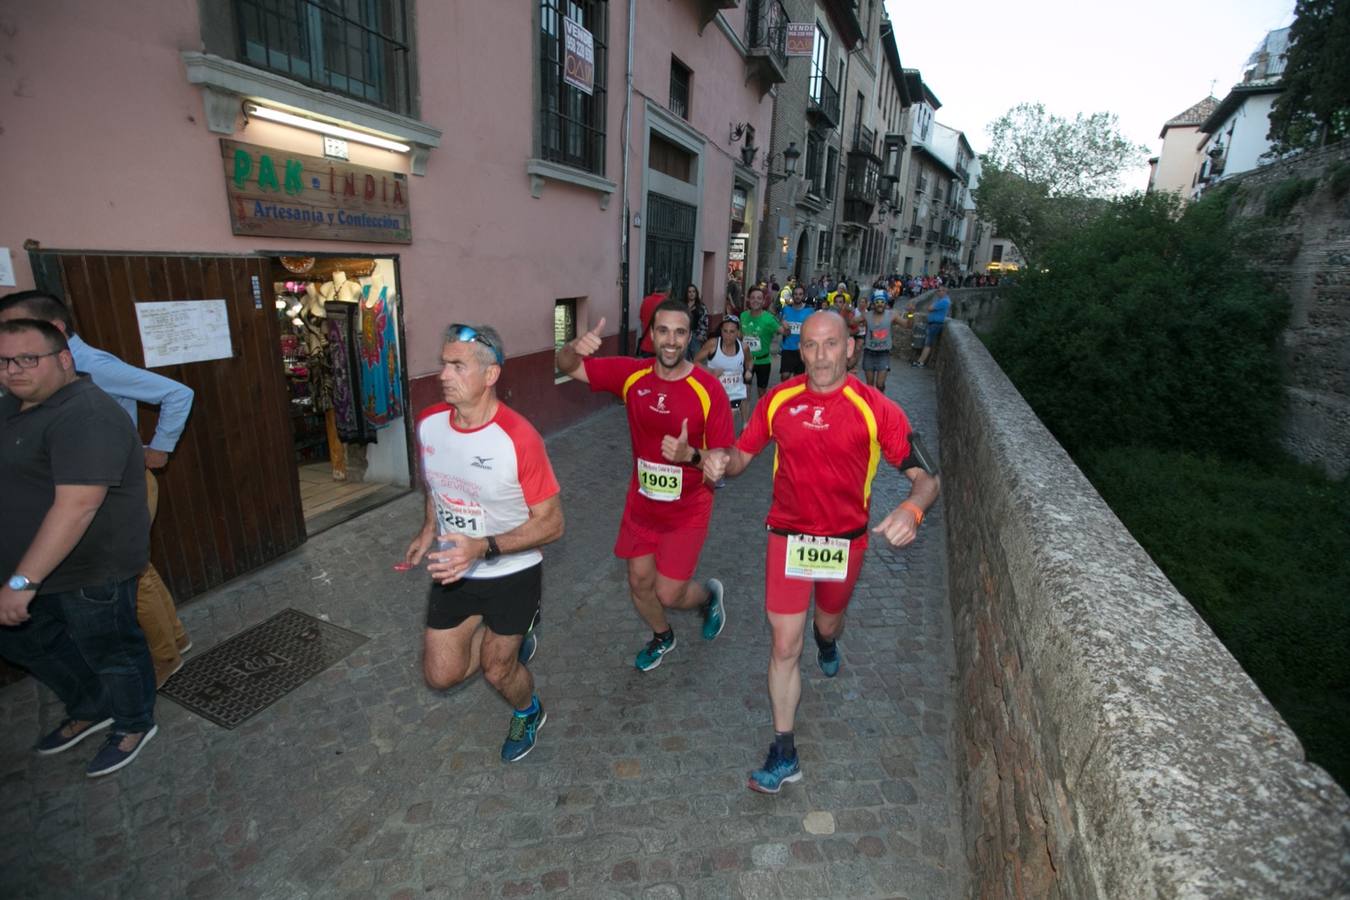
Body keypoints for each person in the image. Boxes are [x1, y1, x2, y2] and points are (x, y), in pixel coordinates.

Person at [697, 312, 940, 794]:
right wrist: (722, 461)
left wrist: (912, 509)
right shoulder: (780, 400)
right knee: (784, 646)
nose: (820, 356)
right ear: (800, 349)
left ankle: (828, 640)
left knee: (827, 623)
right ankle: (784, 749)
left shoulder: (877, 409)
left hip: (844, 543)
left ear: (851, 348)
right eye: (810, 346)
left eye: (831, 345)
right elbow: (743, 457)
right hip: (787, 536)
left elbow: (927, 476)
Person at [0, 291, 195, 688]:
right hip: (93, 484)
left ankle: (164, 657)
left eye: (19, 329)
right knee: (138, 571)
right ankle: (174, 641)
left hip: (117, 485)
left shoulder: (90, 365)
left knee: (128, 574)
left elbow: (178, 393)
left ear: (54, 330)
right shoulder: (34, 377)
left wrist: (159, 448)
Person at [0, 318, 159, 777]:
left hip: (91, 569)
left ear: (63, 359)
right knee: (32, 642)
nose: (13, 370)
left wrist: (20, 581)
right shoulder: (16, 409)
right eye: (5, 361)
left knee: (112, 650)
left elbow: (77, 506)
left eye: (28, 359)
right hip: (32, 565)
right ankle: (92, 706)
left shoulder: (85, 413)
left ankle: (133, 723)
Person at [403, 324, 564, 763]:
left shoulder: (519, 438)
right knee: (440, 675)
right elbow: (436, 484)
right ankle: (508, 637)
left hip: (512, 570)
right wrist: (426, 528)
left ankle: (528, 710)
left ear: (490, 375)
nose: (443, 374)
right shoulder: (429, 424)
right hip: (456, 567)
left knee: (498, 669)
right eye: (443, 362)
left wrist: (484, 547)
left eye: (457, 365)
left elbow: (552, 524)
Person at [557, 301, 734, 671]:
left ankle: (706, 598)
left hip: (689, 507)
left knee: (669, 592)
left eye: (680, 332)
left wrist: (692, 456)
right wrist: (573, 347)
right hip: (643, 502)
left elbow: (724, 462)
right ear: (651, 335)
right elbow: (568, 367)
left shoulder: (708, 389)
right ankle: (662, 636)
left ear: (690, 337)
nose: (671, 341)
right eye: (663, 331)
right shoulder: (632, 375)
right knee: (639, 581)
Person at [694, 315, 752, 431]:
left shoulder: (743, 347)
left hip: (734, 392)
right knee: (713, 424)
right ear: (721, 331)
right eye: (725, 331)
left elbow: (749, 360)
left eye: (732, 332)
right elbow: (695, 362)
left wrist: (749, 371)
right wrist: (711, 371)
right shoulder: (713, 345)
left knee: (725, 422)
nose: (728, 335)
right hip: (715, 392)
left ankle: (727, 442)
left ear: (738, 333)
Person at [739, 286, 784, 415]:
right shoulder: (743, 316)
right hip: (746, 361)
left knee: (762, 394)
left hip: (763, 361)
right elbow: (740, 336)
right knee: (745, 393)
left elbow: (783, 332)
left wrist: (786, 328)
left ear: (763, 301)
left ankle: (761, 421)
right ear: (748, 299)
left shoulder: (769, 318)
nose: (755, 301)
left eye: (759, 298)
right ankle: (745, 425)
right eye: (753, 298)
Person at [861, 293, 899, 390]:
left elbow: (907, 325)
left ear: (885, 303)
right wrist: (845, 311)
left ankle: (879, 404)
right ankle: (870, 404)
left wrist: (911, 314)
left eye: (882, 302)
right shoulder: (866, 315)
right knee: (869, 385)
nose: (880, 304)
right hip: (869, 353)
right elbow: (851, 322)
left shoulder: (891, 315)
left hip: (883, 354)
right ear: (873, 304)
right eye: (877, 302)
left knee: (880, 385)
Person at [778, 284, 812, 383]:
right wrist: (782, 324)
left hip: (802, 349)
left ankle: (796, 397)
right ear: (793, 295)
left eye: (800, 294)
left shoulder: (809, 310)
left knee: (799, 378)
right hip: (787, 347)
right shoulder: (786, 309)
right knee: (785, 375)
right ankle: (784, 394)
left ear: (803, 296)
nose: (798, 296)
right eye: (796, 294)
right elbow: (779, 322)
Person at [915, 286, 952, 369]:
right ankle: (920, 361)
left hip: (935, 324)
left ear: (944, 292)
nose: (938, 292)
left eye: (939, 291)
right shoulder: (940, 300)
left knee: (928, 343)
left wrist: (932, 307)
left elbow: (930, 308)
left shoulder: (944, 301)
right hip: (933, 323)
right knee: (927, 343)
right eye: (938, 291)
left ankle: (920, 362)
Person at [637, 279, 671, 357]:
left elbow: (642, 321)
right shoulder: (668, 303)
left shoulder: (646, 300)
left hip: (645, 346)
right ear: (668, 290)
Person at [684, 284, 709, 362]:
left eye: (693, 292)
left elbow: (705, 321)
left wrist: (701, 335)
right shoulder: (682, 306)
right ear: (687, 294)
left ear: (696, 293)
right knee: (684, 359)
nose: (691, 293)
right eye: (689, 292)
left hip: (696, 335)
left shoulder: (701, 307)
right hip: (684, 335)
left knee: (698, 359)